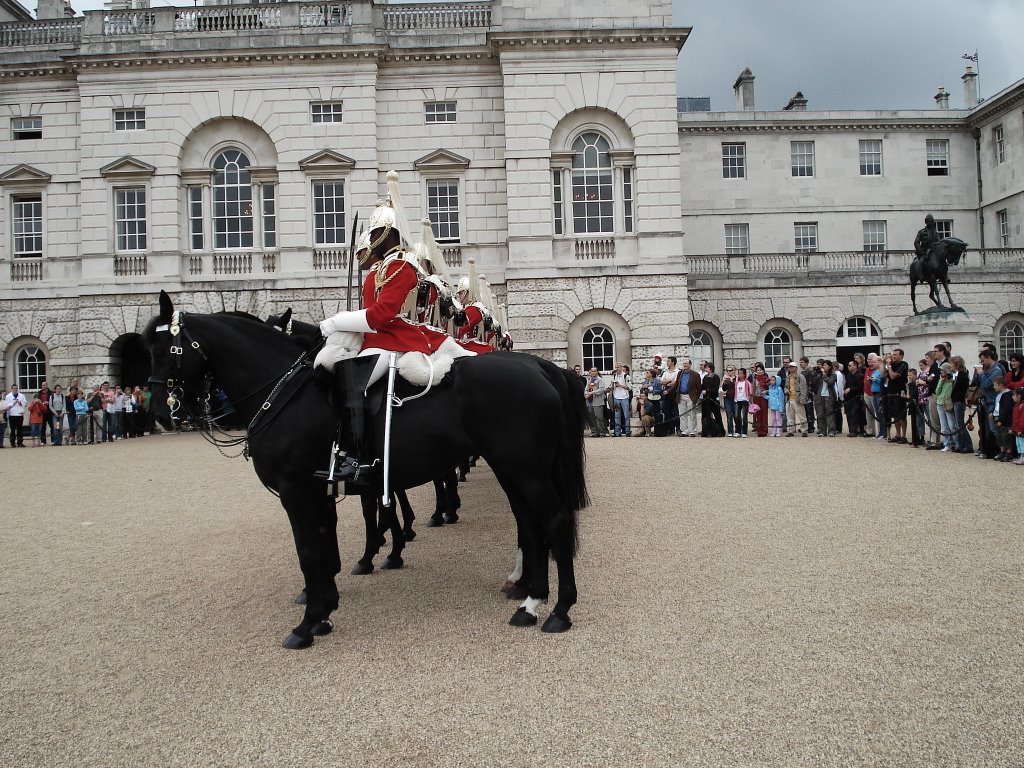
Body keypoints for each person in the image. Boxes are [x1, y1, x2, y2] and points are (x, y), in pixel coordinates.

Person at [317, 192, 454, 484]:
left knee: (351, 379)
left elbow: (381, 315)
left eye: (376, 231)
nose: (372, 235)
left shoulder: (402, 265)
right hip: (379, 339)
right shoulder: (380, 269)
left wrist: (336, 320)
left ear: (388, 233)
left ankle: (356, 458)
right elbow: (371, 314)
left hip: (395, 339)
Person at [977, 349, 1006, 459]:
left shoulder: (996, 370)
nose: (982, 363)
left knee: (992, 428)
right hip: (985, 400)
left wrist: (981, 374)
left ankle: (996, 451)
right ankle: (988, 450)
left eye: (983, 360)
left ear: (989, 357)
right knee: (985, 428)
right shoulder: (987, 370)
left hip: (993, 401)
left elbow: (987, 384)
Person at [950, 355, 974, 454]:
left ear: (957, 364)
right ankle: (961, 445)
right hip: (956, 400)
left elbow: (962, 390)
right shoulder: (957, 374)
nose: (950, 365)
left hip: (959, 401)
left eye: (952, 363)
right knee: (958, 425)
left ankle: (968, 445)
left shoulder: (962, 375)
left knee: (960, 425)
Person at [885, 349, 909, 444]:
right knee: (894, 415)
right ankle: (897, 434)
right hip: (891, 392)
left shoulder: (903, 364)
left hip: (900, 393)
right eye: (893, 354)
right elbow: (884, 374)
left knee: (901, 415)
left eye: (896, 354)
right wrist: (886, 364)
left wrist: (889, 366)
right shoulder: (891, 365)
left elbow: (892, 376)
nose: (894, 356)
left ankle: (903, 435)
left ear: (901, 355)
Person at [812, 360, 837, 436]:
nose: (824, 367)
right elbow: (814, 382)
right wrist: (815, 373)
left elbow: (830, 382)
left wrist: (824, 374)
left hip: (829, 396)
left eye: (826, 365)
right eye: (823, 365)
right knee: (820, 414)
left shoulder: (833, 375)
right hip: (820, 396)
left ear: (829, 367)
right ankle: (822, 430)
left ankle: (831, 431)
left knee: (829, 413)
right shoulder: (820, 374)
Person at [935, 363, 956, 452]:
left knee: (952, 425)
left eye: (942, 371)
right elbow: (937, 392)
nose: (941, 372)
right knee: (944, 426)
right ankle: (947, 443)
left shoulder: (952, 381)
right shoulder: (942, 380)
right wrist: (941, 381)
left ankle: (955, 443)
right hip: (940, 403)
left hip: (948, 404)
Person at [699, 362, 724, 437]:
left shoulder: (715, 377)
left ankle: (721, 431)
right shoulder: (705, 377)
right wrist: (702, 390)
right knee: (706, 415)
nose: (705, 369)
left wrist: (707, 391)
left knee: (717, 415)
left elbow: (715, 388)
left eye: (707, 367)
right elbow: (702, 386)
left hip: (713, 399)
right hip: (706, 399)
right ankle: (706, 431)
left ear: (710, 368)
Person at [992, 377, 1014, 462]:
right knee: (999, 436)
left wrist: (1001, 420)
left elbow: (1006, 409)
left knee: (1006, 436)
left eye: (995, 385)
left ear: (1001, 385)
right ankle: (1002, 451)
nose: (994, 387)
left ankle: (1008, 453)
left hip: (1004, 419)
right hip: (997, 416)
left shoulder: (1007, 395)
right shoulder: (999, 395)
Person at [784, 360, 808, 436]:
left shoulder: (801, 377)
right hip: (789, 398)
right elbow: (785, 387)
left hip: (798, 399)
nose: (791, 368)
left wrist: (802, 399)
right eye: (790, 367)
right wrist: (786, 390)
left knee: (802, 416)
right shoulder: (788, 377)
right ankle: (790, 431)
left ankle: (804, 430)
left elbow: (804, 389)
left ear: (796, 368)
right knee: (790, 417)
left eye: (792, 367)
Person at [676, 358, 699, 437]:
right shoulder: (680, 373)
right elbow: (676, 384)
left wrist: (696, 398)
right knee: (682, 414)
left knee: (692, 414)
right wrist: (668, 391)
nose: (685, 365)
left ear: (690, 364)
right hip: (681, 395)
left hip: (690, 396)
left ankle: (693, 430)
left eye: (686, 363)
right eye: (684, 364)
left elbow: (699, 388)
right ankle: (684, 431)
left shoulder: (695, 374)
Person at [584, 367, 608, 438]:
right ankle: (594, 432)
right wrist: (585, 394)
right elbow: (586, 389)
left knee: (599, 417)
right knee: (591, 417)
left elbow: (602, 389)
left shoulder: (600, 380)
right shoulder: (589, 380)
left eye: (595, 371)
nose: (593, 372)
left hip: (597, 401)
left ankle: (602, 432)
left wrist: (592, 393)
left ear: (597, 372)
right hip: (589, 401)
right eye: (592, 371)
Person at [609, 361, 631, 437]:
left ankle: (627, 431)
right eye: (616, 367)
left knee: (626, 415)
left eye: (618, 367)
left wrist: (620, 385)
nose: (617, 369)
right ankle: (617, 432)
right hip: (616, 398)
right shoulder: (614, 376)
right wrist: (612, 386)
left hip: (624, 397)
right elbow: (612, 387)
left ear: (621, 368)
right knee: (617, 415)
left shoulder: (626, 376)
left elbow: (629, 388)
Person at [660, 357, 681, 435]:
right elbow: (662, 382)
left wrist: (668, 382)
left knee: (676, 411)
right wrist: (668, 381)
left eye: (669, 361)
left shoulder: (678, 372)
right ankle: (670, 428)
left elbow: (675, 383)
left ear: (673, 362)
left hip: (674, 393)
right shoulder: (665, 372)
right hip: (666, 393)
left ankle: (678, 428)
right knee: (667, 411)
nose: (667, 362)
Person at [843, 360, 864, 437]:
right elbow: (846, 384)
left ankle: (855, 431)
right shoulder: (848, 375)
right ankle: (851, 430)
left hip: (856, 397)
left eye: (850, 365)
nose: (848, 367)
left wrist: (850, 389)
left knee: (854, 414)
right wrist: (845, 389)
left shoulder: (860, 375)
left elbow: (859, 387)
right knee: (849, 414)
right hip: (848, 398)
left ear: (855, 366)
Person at [751, 363, 770, 437]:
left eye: (760, 370)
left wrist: (766, 391)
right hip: (756, 397)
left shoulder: (766, 379)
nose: (759, 371)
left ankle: (764, 430)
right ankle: (759, 430)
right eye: (758, 370)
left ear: (763, 371)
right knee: (758, 414)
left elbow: (769, 388)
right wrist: (751, 398)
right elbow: (753, 388)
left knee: (764, 413)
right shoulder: (754, 379)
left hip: (764, 398)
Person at [733, 367, 752, 437]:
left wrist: (749, 399)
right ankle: (737, 431)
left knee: (744, 416)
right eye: (739, 373)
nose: (739, 375)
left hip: (745, 400)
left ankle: (744, 432)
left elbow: (750, 392)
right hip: (738, 400)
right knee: (737, 416)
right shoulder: (736, 383)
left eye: (741, 373)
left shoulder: (747, 383)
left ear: (744, 374)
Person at [721, 365, 737, 436]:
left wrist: (731, 381)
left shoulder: (737, 378)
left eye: (730, 370)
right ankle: (730, 431)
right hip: (727, 398)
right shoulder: (725, 378)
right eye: (727, 370)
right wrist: (725, 383)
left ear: (734, 371)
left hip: (735, 398)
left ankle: (738, 430)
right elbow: (724, 389)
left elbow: (736, 387)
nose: (728, 372)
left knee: (736, 415)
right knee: (729, 415)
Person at [1010, 387, 1024, 465]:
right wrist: (1013, 428)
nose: (1012, 397)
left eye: (1014, 395)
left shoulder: (1022, 406)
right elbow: (1014, 419)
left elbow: (1022, 419)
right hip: (1017, 430)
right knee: (1019, 444)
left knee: (1022, 444)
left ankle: (1023, 457)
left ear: (1019, 396)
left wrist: (1020, 429)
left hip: (1021, 430)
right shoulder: (1016, 405)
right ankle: (1021, 457)